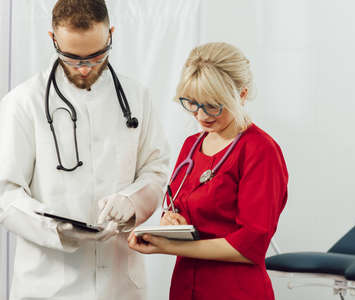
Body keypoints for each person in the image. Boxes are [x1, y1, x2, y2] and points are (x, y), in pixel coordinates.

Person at [0, 1, 169, 299]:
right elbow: (5, 192)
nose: (84, 67)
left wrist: (131, 201)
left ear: (110, 35)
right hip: (48, 286)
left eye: (96, 55)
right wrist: (54, 226)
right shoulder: (23, 103)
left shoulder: (136, 97)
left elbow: (156, 170)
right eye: (72, 57)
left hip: (120, 285)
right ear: (53, 39)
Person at [128, 42, 289, 300]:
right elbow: (177, 205)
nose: (201, 115)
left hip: (236, 290)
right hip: (186, 287)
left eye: (213, 105)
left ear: (242, 94)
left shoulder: (260, 151)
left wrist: (169, 247)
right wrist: (171, 222)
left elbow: (250, 247)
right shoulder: (192, 146)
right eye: (192, 103)